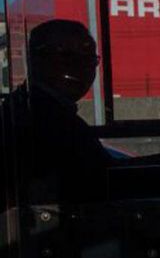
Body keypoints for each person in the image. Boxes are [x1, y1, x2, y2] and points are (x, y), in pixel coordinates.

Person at [0, 19, 111, 205]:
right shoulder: (39, 118)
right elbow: (95, 183)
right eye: (66, 56)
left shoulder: (38, 108)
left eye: (89, 58)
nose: (81, 67)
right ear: (36, 60)